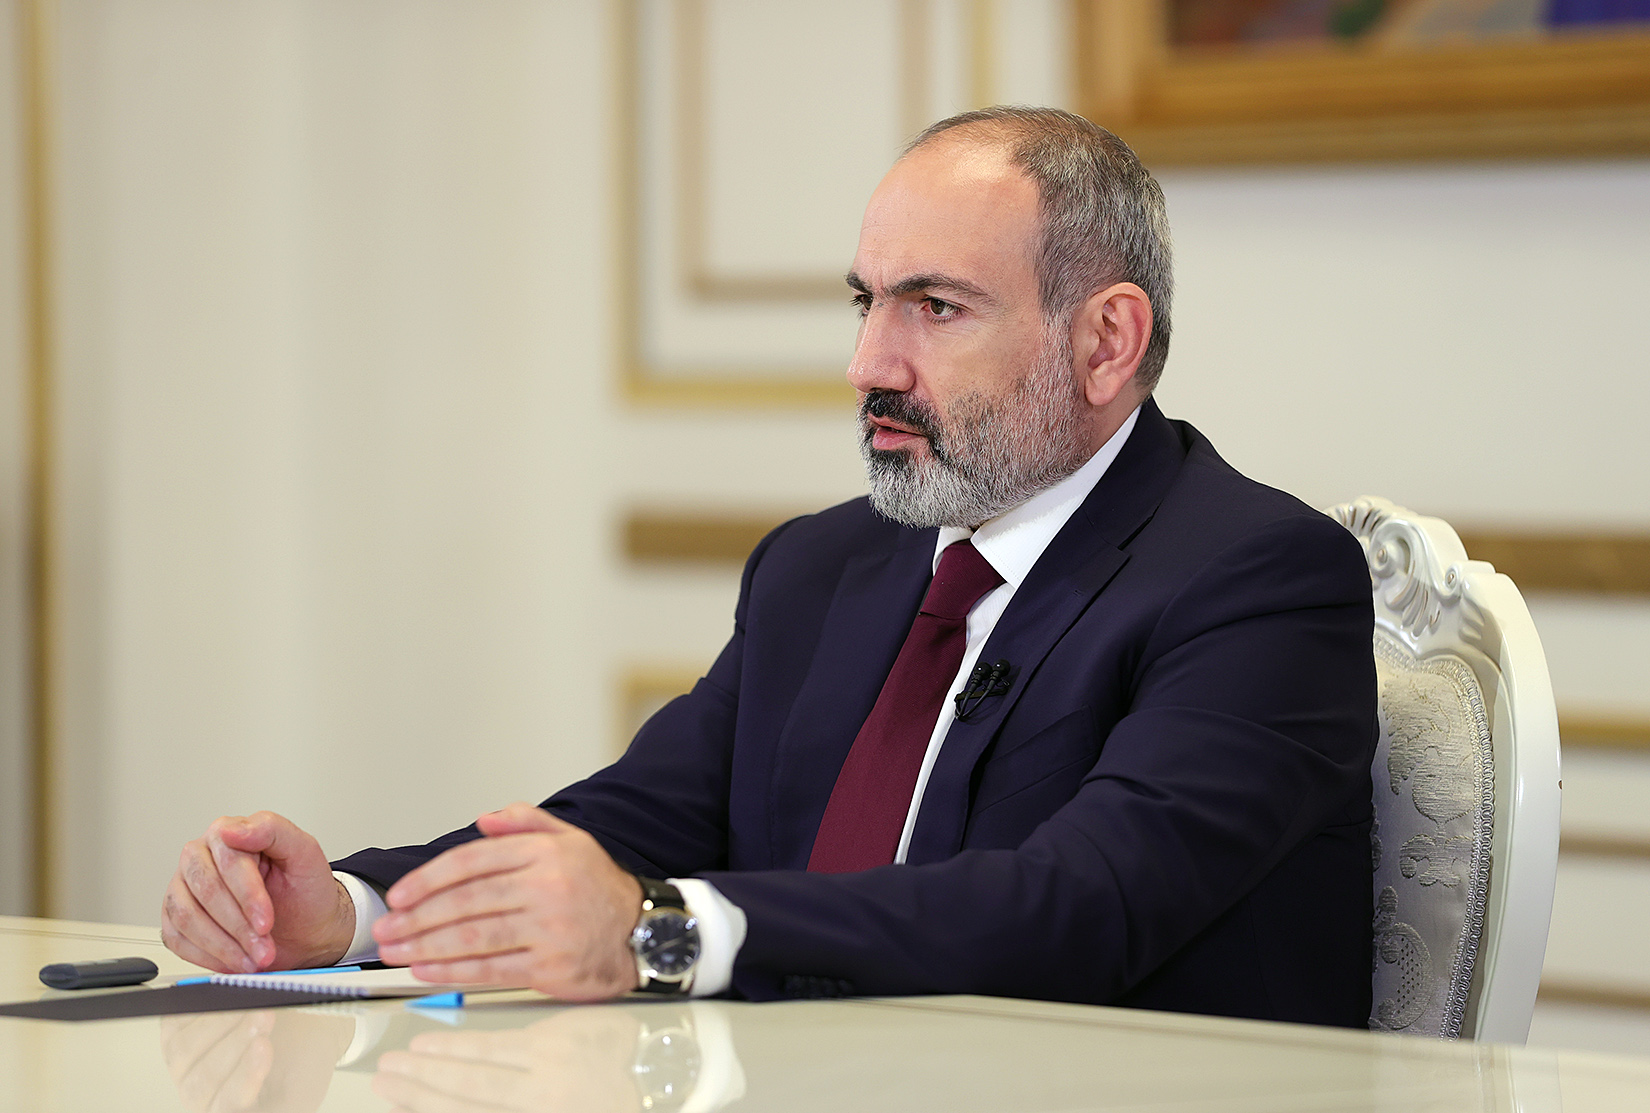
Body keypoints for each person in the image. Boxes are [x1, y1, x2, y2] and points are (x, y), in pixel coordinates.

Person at [162, 106, 1378, 1027]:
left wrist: (657, 933)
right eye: (864, 303)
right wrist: (355, 913)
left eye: (934, 308)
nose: (867, 364)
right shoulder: (822, 567)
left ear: (1105, 340)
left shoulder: (1257, 581)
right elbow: (638, 819)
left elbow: (1078, 904)